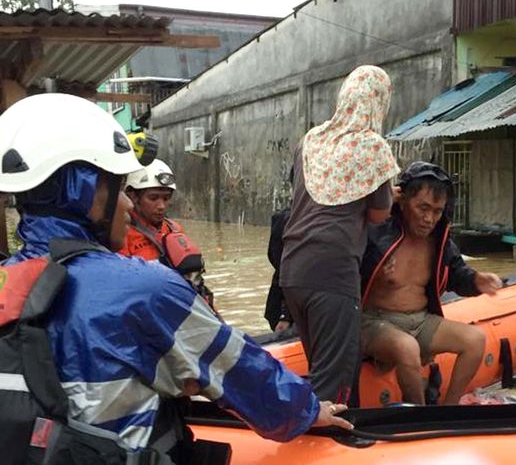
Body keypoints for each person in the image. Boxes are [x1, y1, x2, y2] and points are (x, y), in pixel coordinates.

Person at [0, 94, 351, 462]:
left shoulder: (11, 282)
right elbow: (238, 371)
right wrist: (307, 411)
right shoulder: (143, 290)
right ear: (85, 189)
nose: (129, 204)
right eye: (120, 188)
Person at [280, 65, 401, 404]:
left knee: (321, 367)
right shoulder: (372, 147)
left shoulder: (311, 140)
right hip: (332, 272)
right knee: (334, 386)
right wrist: (390, 193)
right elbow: (379, 214)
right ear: (380, 102)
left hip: (293, 270)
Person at [360, 161, 504, 405]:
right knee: (407, 348)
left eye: (437, 211)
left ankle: (447, 409)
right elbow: (344, 273)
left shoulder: (439, 237)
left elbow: (457, 272)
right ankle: (420, 416)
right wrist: (375, 272)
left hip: (421, 319)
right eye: (422, 208)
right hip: (374, 321)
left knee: (475, 340)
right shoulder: (375, 230)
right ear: (402, 201)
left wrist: (477, 280)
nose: (429, 218)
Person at [119, 159, 214, 307]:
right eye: (153, 198)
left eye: (166, 198)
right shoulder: (121, 234)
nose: (161, 206)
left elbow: (195, 281)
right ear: (132, 197)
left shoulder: (174, 229)